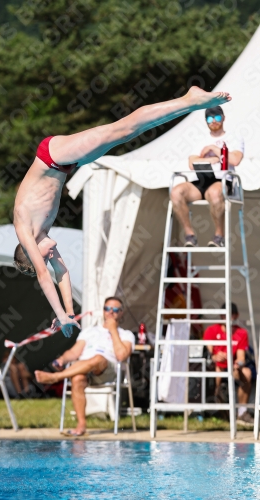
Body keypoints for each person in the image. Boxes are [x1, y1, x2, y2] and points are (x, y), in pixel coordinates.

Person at [13, 87, 231, 336]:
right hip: (65, 165)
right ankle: (189, 104)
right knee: (129, 132)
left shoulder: (24, 227)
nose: (52, 253)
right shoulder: (41, 236)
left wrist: (60, 316)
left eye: (45, 256)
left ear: (30, 252)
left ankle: (190, 100)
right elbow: (61, 273)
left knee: (125, 128)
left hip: (52, 156)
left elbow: (44, 276)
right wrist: (70, 314)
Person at [35, 296, 135, 436]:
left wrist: (113, 330)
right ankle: (81, 425)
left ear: (121, 313)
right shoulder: (89, 331)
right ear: (103, 311)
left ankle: (56, 377)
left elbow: (122, 356)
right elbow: (75, 352)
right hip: (84, 368)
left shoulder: (126, 334)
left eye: (115, 309)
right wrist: (62, 360)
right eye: (107, 308)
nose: (111, 312)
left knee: (98, 358)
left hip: (107, 370)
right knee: (77, 379)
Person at [170, 105, 244, 247]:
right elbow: (192, 163)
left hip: (223, 180)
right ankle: (190, 235)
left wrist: (214, 149)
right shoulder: (200, 140)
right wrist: (212, 159)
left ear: (223, 118)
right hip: (202, 179)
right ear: (206, 121)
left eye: (217, 117)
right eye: (210, 118)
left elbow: (235, 160)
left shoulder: (234, 138)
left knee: (215, 192)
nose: (214, 121)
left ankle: (219, 235)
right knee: (176, 192)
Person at [203, 302, 254, 426]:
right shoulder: (211, 331)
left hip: (231, 369)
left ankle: (242, 412)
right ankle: (214, 406)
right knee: (216, 370)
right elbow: (207, 353)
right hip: (216, 369)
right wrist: (215, 356)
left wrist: (238, 363)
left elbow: (241, 357)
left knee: (247, 373)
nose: (226, 318)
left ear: (236, 316)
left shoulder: (241, 333)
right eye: (223, 315)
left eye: (229, 315)